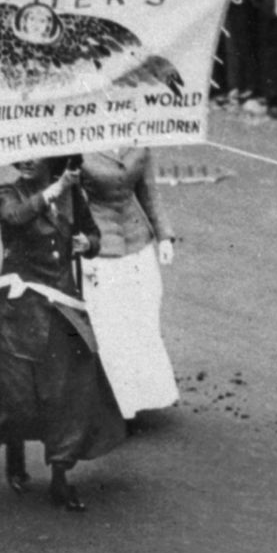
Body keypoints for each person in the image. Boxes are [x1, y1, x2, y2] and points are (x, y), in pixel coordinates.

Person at [0, 155, 125, 511]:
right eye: (22, 153)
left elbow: (94, 235)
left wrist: (86, 244)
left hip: (61, 308)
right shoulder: (7, 193)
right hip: (21, 310)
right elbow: (15, 216)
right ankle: (15, 458)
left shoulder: (73, 197)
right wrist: (55, 189)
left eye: (36, 153)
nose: (27, 160)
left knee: (67, 394)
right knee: (19, 393)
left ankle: (60, 477)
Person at [79, 144, 180, 425]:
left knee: (142, 320)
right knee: (110, 328)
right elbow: (71, 204)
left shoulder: (140, 144)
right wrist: (82, 251)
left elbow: (148, 193)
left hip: (138, 242)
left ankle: (141, 396)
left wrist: (164, 237)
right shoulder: (79, 146)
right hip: (101, 246)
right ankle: (115, 405)